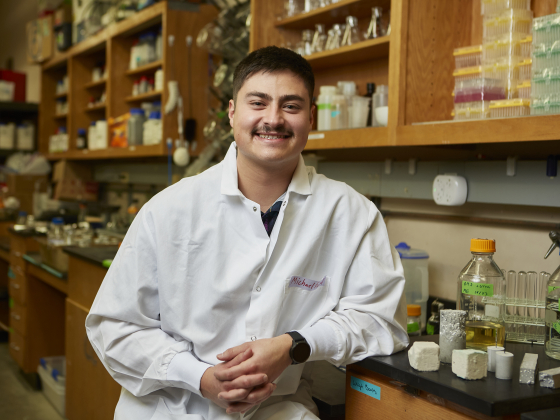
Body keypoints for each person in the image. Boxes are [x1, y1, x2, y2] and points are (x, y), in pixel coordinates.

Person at [86, 46, 408, 420]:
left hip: (278, 409)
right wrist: (200, 376)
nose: (273, 119)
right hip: (171, 407)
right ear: (232, 112)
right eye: (258, 102)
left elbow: (383, 321)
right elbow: (115, 325)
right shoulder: (169, 209)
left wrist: (294, 346)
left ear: (311, 117)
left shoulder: (350, 213)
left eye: (291, 105)